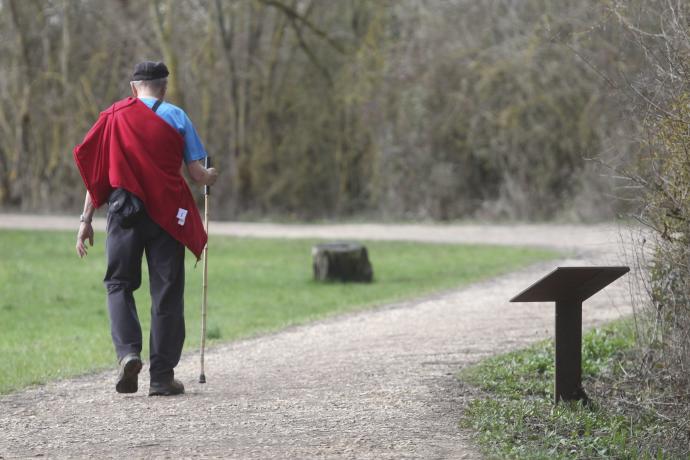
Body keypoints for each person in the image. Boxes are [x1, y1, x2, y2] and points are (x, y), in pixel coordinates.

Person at [73, 61, 218, 396]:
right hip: (167, 214)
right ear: (164, 88)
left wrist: (85, 220)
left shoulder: (113, 117)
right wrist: (212, 177)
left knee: (118, 283)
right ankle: (161, 377)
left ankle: (128, 353)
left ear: (133, 88)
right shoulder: (177, 116)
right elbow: (197, 175)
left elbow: (97, 175)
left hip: (124, 210)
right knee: (166, 291)